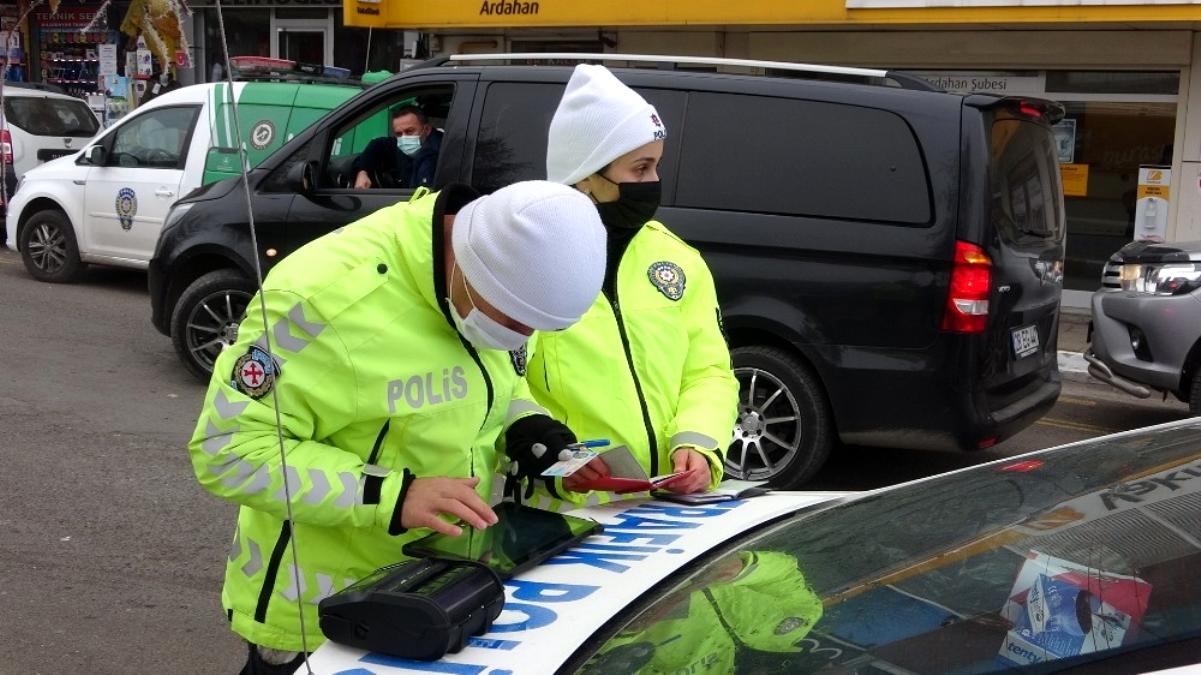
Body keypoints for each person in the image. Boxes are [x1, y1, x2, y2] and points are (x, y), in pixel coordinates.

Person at [187, 180, 606, 674]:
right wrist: (394, 496)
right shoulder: (322, 299)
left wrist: (528, 426)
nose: (523, 336)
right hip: (318, 618)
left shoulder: (501, 283)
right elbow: (227, 450)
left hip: (436, 593)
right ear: (472, 266)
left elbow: (496, 385)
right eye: (515, 321)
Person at [523, 64, 739, 505]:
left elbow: (709, 371)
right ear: (586, 175)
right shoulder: (524, 264)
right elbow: (502, 391)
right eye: (640, 169)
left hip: (668, 511)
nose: (653, 183)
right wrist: (560, 459)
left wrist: (698, 443)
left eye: (656, 166)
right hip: (568, 517)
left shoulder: (675, 260)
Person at [580, 551, 823, 673]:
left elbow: (589, 666)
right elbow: (786, 573)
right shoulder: (800, 623)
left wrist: (631, 629)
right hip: (692, 544)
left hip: (613, 584)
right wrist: (744, 567)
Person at [351, 105, 443, 190]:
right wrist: (362, 172)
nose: (404, 137)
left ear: (426, 129)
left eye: (409, 131)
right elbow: (377, 145)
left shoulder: (440, 153)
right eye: (399, 134)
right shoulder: (402, 146)